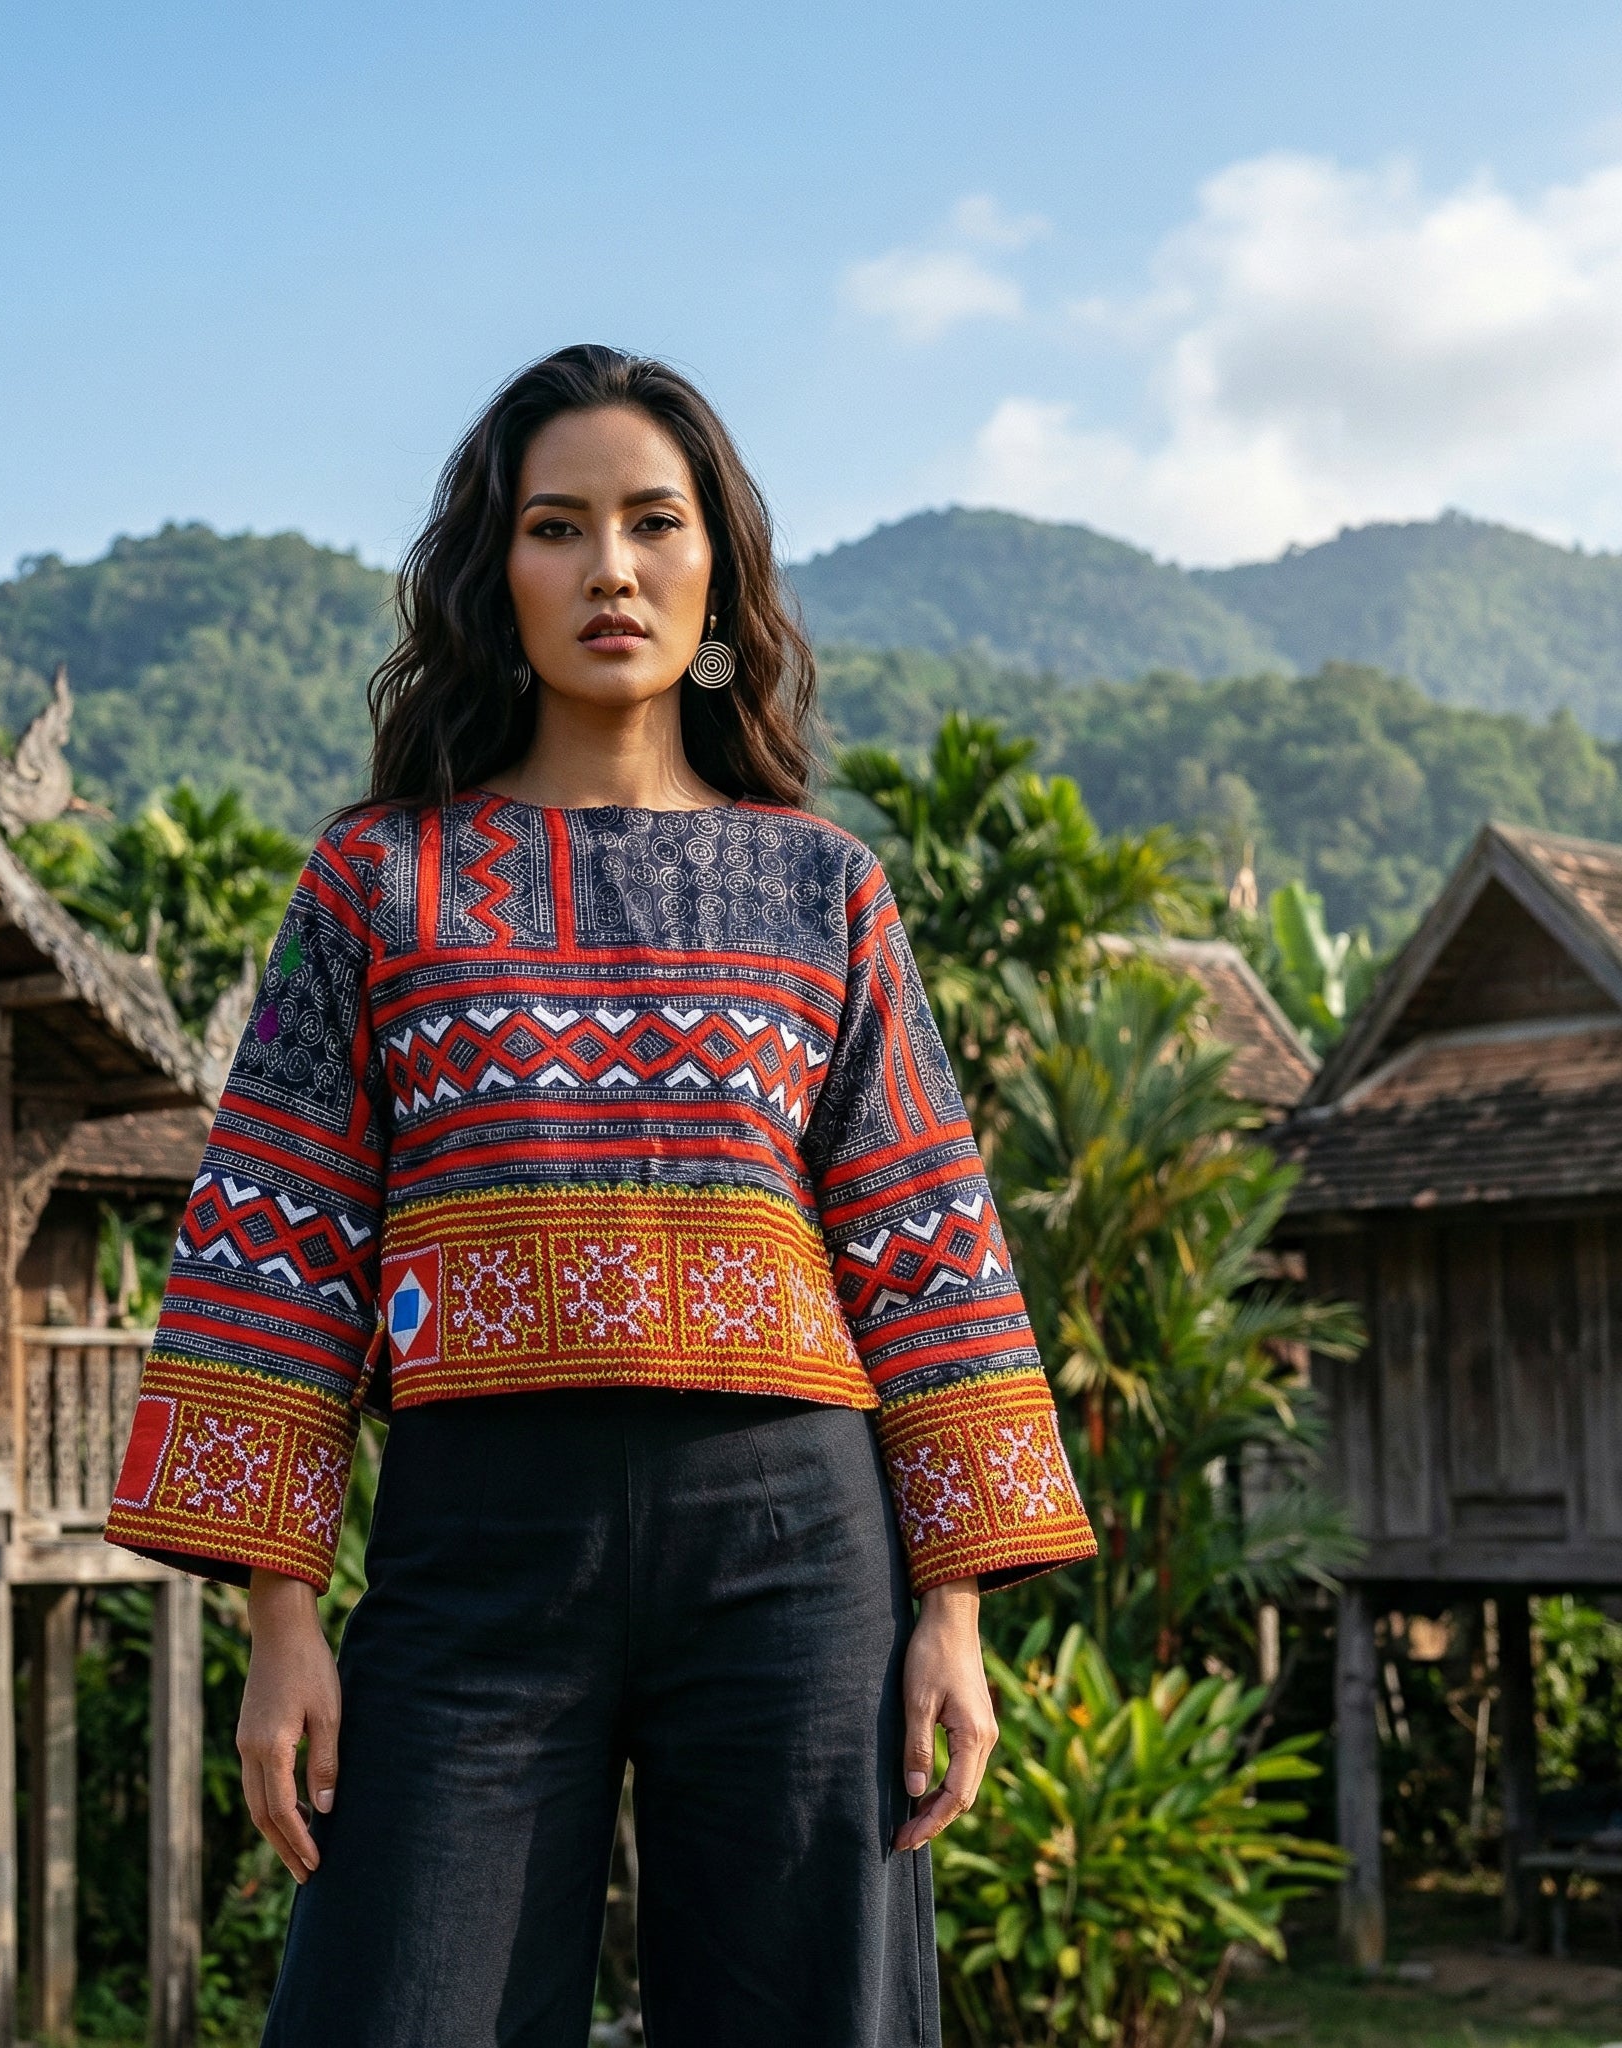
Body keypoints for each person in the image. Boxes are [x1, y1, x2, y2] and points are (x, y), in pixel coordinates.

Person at [105, 345, 1096, 2047]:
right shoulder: (379, 877)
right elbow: (276, 1245)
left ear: (717, 571)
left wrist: (951, 1612)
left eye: (653, 523)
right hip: (477, 1549)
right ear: (500, 578)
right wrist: (283, 1619)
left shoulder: (824, 889)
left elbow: (926, 1246)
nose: (611, 569)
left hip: (794, 1548)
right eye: (557, 528)